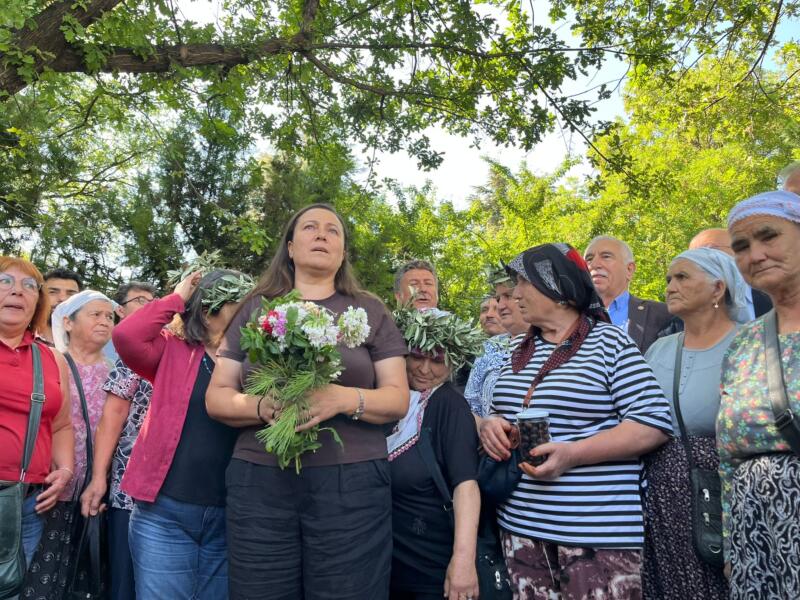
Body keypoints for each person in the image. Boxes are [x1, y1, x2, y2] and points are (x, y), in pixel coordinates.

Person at [206, 203, 410, 600]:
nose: (321, 235)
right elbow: (217, 396)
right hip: (260, 481)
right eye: (310, 227)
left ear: (343, 252)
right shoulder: (256, 307)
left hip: (351, 484)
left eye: (333, 231)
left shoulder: (369, 310)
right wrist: (263, 407)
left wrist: (341, 398)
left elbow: (397, 398)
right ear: (290, 247)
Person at [480, 243, 672, 599]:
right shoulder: (519, 351)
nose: (515, 295)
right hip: (521, 531)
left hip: (595, 536)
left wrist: (573, 454)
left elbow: (653, 423)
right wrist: (488, 424)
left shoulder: (609, 342)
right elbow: (502, 411)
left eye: (523, 283)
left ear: (559, 289)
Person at [111, 269, 248, 599]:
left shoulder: (254, 362)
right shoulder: (172, 349)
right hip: (165, 515)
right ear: (208, 309)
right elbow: (127, 336)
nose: (250, 311)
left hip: (229, 516)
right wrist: (177, 297)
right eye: (241, 303)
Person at [641, 248, 750, 599]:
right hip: (658, 501)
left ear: (718, 288)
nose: (670, 286)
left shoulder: (748, 345)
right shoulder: (658, 350)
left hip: (720, 499)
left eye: (682, 277)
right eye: (669, 279)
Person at [718, 190, 800, 599]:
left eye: (769, 236)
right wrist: (732, 539)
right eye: (742, 247)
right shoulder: (744, 343)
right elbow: (728, 456)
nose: (756, 254)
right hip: (755, 534)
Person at [388, 307, 483, 600]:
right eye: (417, 356)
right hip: (387, 570)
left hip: (431, 571)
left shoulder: (450, 407)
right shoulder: (388, 401)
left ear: (452, 362)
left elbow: (466, 485)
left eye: (437, 360)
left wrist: (463, 562)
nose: (424, 369)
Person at [80, 281, 157, 600]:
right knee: (124, 582)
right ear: (120, 311)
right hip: (129, 487)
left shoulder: (178, 345)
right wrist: (99, 478)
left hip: (176, 492)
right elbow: (112, 417)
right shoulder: (133, 353)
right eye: (141, 301)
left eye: (154, 301)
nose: (150, 307)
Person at [0, 257, 73, 568]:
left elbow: (62, 425)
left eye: (29, 285)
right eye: (4, 281)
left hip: (28, 503)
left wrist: (65, 469)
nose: (17, 290)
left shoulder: (52, 358)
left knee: (13, 587)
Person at [51, 290, 116, 501]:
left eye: (109, 317)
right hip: (50, 480)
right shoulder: (49, 364)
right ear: (68, 323)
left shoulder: (117, 372)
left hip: (99, 485)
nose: (104, 322)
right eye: (96, 314)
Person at [584, 235, 671, 352]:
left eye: (606, 257)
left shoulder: (663, 315)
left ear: (629, 270)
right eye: (589, 259)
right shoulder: (569, 316)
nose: (594, 264)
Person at [465, 266, 528, 418]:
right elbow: (471, 404)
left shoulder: (555, 339)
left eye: (508, 296)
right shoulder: (490, 346)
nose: (500, 306)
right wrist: (485, 426)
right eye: (499, 299)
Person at [689, 228, 772, 318]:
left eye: (711, 248)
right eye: (695, 256)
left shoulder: (772, 294)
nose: (703, 258)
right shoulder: (683, 308)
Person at [40, 267, 82, 345]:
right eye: (53, 292)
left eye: (71, 294)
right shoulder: (19, 337)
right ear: (39, 296)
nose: (62, 299)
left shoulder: (91, 343)